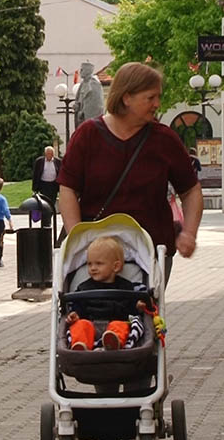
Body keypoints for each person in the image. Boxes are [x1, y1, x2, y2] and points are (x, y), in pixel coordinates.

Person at [58, 62, 203, 285]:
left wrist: (189, 233)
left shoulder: (164, 140)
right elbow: (68, 188)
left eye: (158, 97)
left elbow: (191, 190)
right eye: (150, 97)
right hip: (96, 252)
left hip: (149, 251)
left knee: (144, 313)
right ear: (127, 98)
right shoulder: (87, 136)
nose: (157, 104)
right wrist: (79, 238)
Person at [65, 236, 143, 351]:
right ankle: (81, 345)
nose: (93, 268)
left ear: (116, 266)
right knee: (80, 326)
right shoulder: (84, 287)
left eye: (99, 263)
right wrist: (75, 314)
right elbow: (78, 306)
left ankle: (113, 342)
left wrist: (138, 306)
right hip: (90, 324)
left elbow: (130, 309)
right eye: (89, 264)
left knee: (123, 325)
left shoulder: (125, 287)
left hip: (114, 323)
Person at [32, 146, 62, 210]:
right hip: (43, 185)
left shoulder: (58, 162)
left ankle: (50, 214)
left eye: (51, 154)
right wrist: (34, 188)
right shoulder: (39, 161)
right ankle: (45, 216)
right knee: (44, 202)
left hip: (53, 185)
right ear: (45, 154)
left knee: (52, 202)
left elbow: (60, 174)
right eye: (48, 153)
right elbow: (35, 174)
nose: (49, 155)